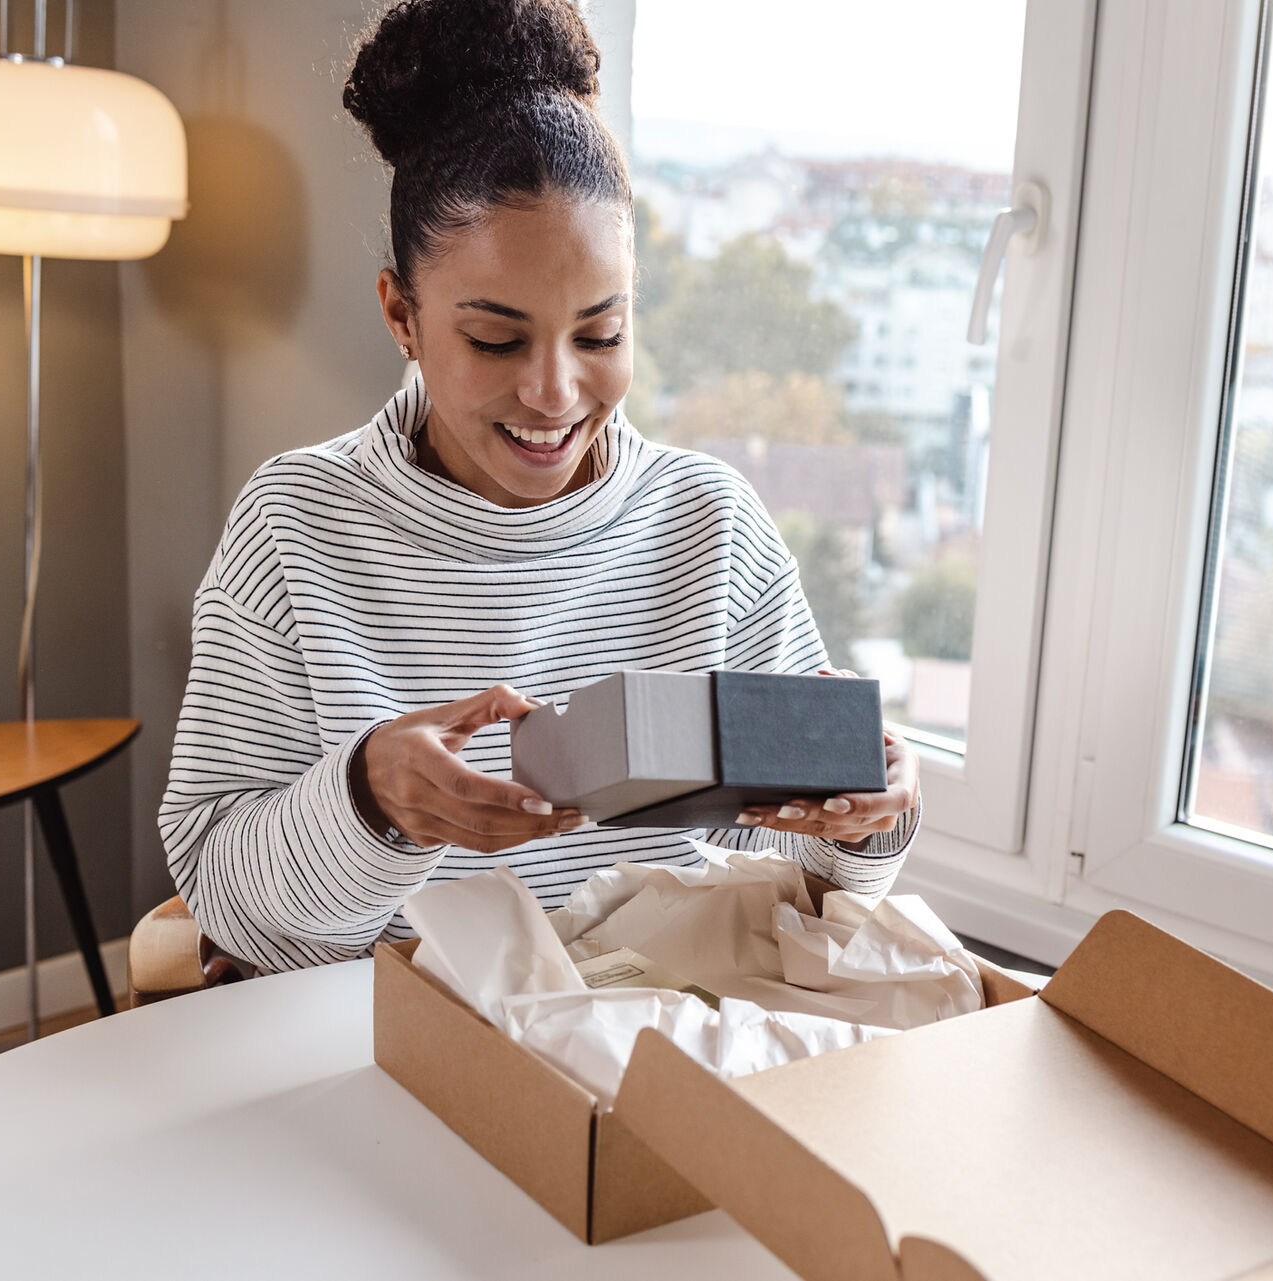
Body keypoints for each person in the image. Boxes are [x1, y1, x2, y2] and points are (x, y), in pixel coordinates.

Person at [160, 0, 921, 973]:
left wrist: (857, 823)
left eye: (601, 334)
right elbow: (223, 896)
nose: (555, 392)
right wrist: (368, 806)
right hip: (387, 1038)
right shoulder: (300, 523)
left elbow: (794, 886)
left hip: (653, 1046)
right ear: (403, 313)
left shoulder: (709, 523)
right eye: (495, 338)